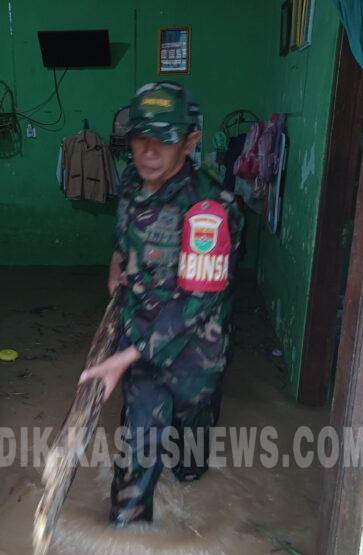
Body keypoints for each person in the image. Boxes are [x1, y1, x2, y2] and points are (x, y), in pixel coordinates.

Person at [80, 82, 243, 525]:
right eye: (140, 138)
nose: (149, 151)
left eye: (164, 139)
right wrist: (117, 263)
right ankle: (127, 534)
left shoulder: (210, 208)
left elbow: (196, 304)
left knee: (190, 462)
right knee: (136, 456)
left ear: (190, 142)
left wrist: (124, 358)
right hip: (140, 342)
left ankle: (190, 465)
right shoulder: (131, 183)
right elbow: (124, 236)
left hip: (195, 356)